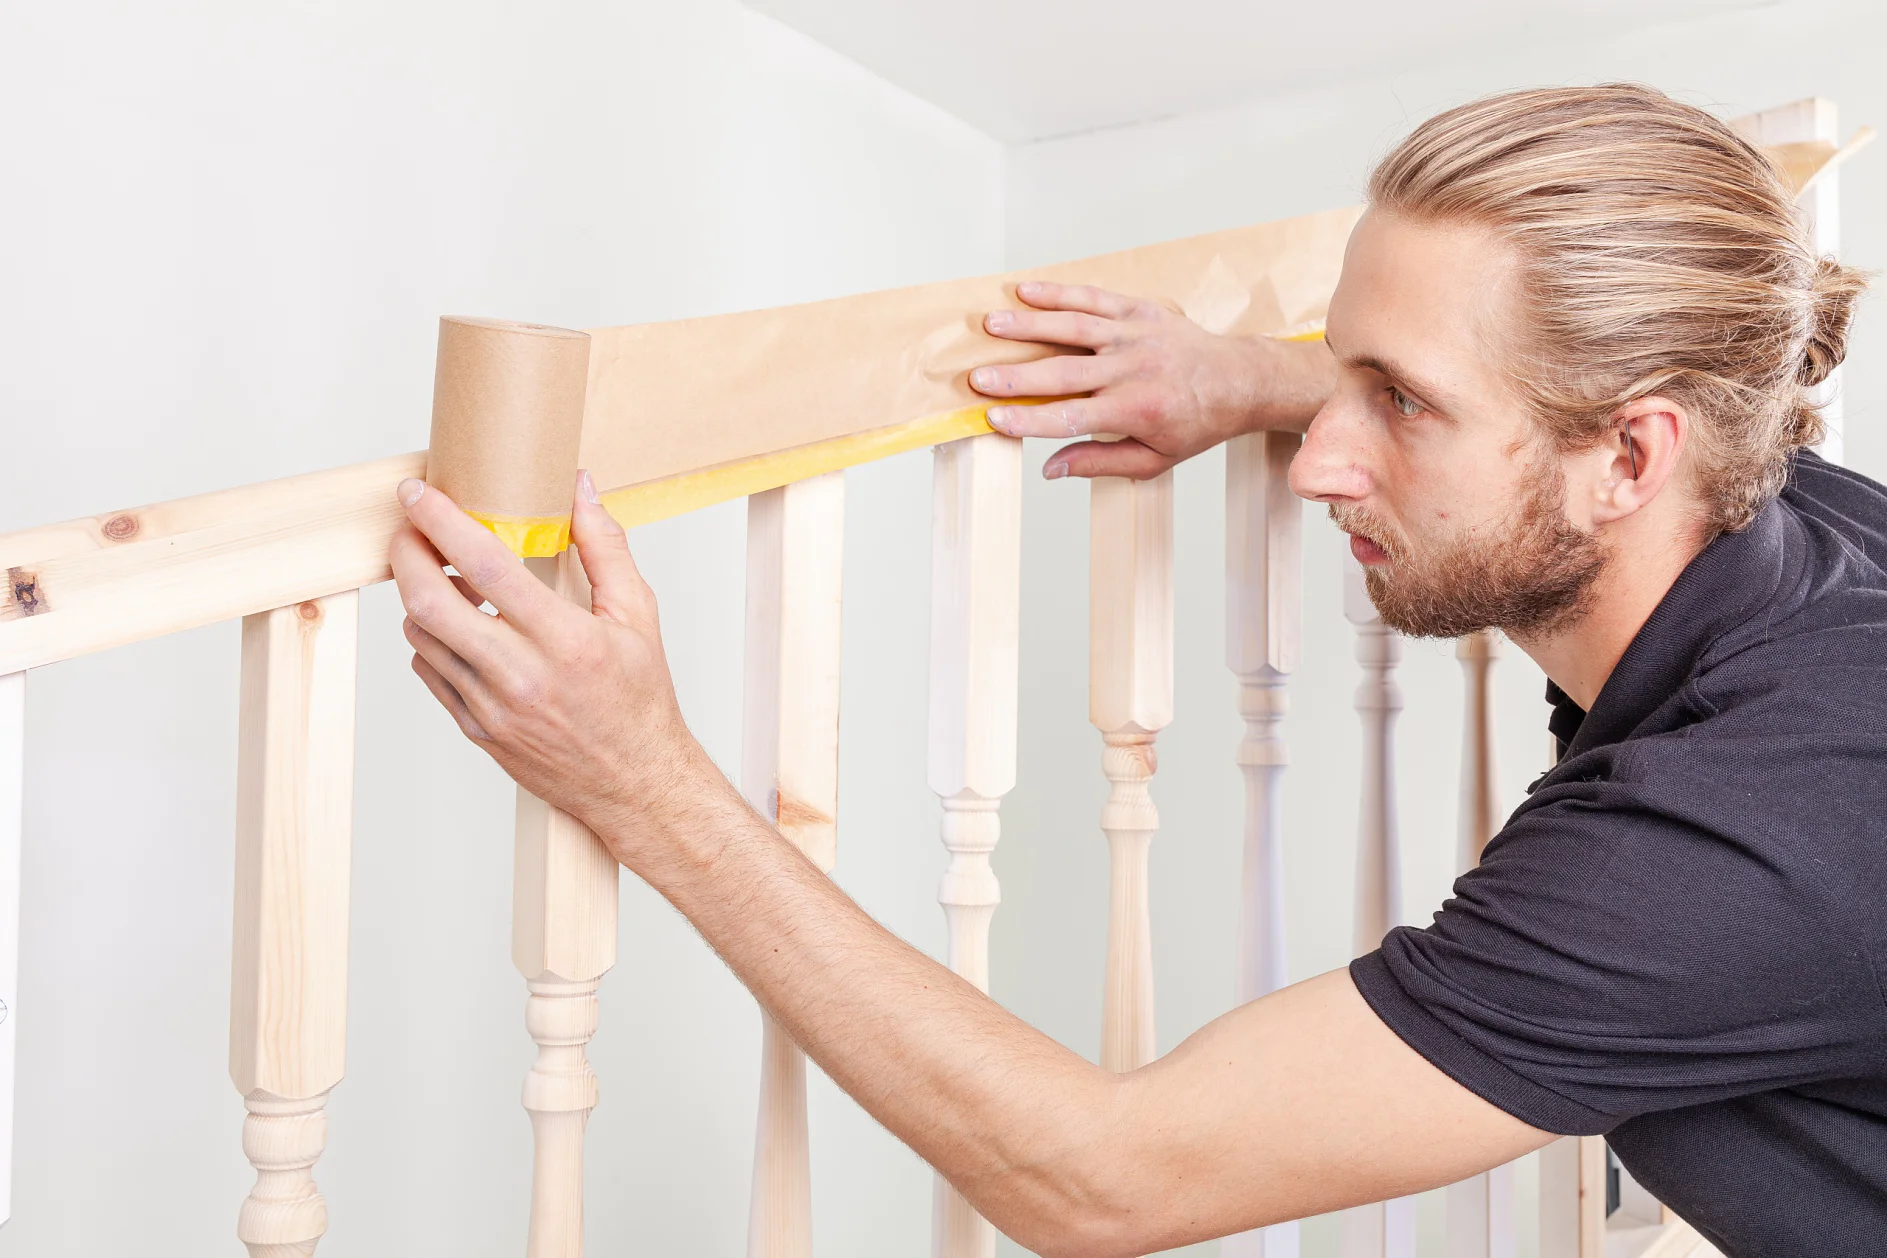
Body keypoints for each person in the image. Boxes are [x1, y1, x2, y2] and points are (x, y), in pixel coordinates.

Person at [387, 85, 1885, 1257]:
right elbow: (1514, 434)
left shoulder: (1737, 842)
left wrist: (643, 782)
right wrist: (1251, 375)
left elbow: (1099, 1175)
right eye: (1340, 369)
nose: (1321, 465)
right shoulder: (1790, 522)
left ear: (1630, 452)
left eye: (1400, 403)